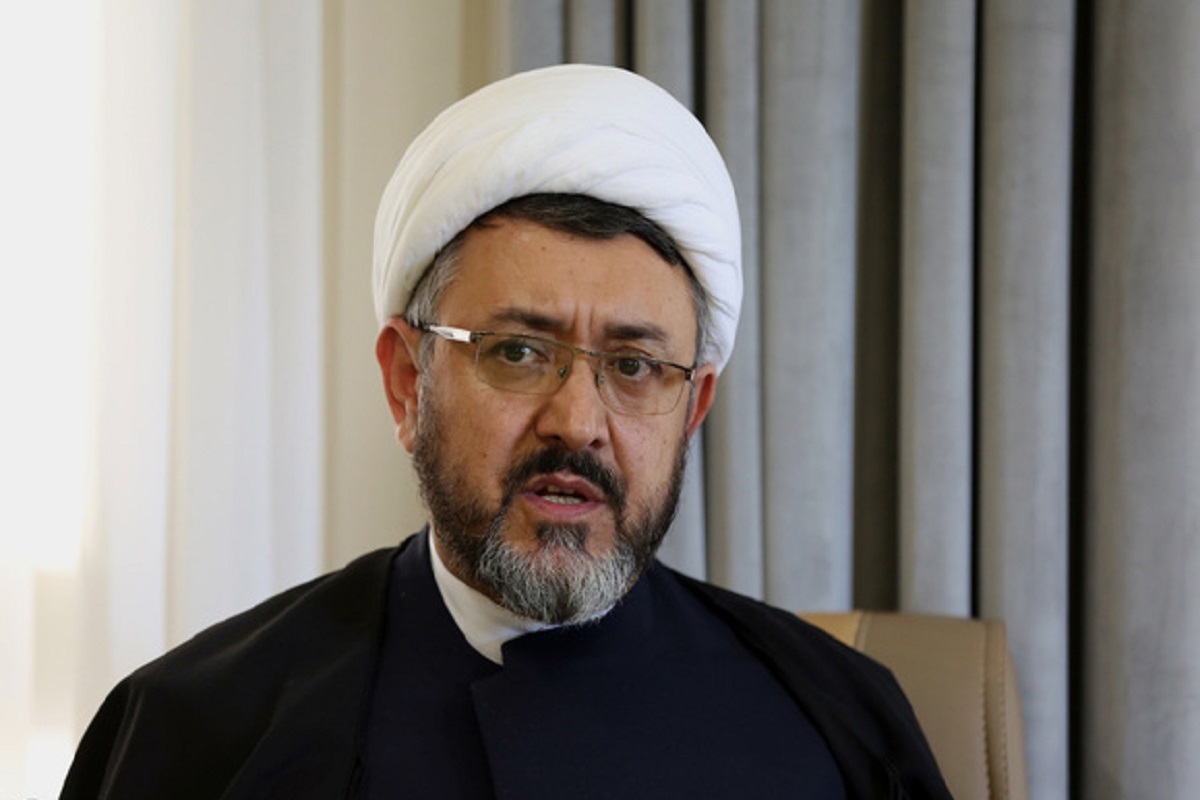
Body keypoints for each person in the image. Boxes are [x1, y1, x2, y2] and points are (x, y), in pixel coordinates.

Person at [61, 64, 950, 799]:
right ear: (408, 381)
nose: (578, 423)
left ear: (695, 407)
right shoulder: (197, 731)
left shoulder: (841, 725)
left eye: (635, 366)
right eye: (519, 352)